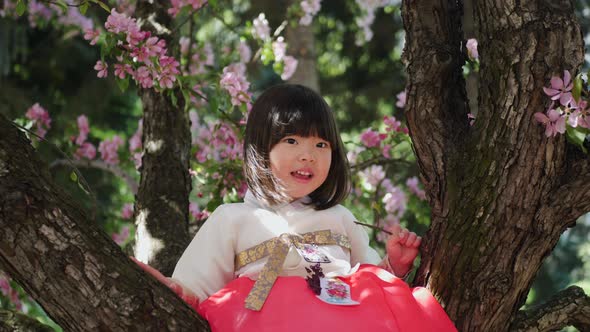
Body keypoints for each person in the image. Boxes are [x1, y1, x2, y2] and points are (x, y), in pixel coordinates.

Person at [135, 84, 456, 331]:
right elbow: (197, 286)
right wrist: (176, 290)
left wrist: (393, 266)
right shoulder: (233, 218)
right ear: (260, 148)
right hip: (263, 320)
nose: (308, 155)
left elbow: (369, 284)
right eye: (292, 142)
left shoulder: (339, 217)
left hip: (343, 317)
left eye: (321, 145)